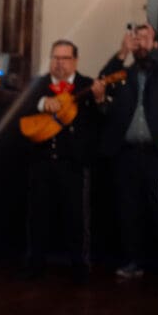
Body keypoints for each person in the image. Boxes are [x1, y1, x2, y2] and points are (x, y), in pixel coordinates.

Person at [18, 40, 104, 282]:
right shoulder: (39, 84)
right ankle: (35, 264)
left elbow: (102, 120)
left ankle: (80, 267)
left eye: (65, 58)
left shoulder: (87, 85)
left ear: (75, 60)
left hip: (73, 162)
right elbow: (20, 106)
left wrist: (99, 100)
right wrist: (41, 102)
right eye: (55, 57)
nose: (59, 63)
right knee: (38, 216)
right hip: (41, 161)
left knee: (76, 218)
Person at [93, 24, 158, 278]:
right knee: (128, 210)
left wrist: (152, 50)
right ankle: (132, 262)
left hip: (157, 154)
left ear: (156, 44)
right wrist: (121, 52)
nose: (140, 42)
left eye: (146, 38)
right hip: (126, 154)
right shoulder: (125, 74)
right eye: (137, 38)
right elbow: (102, 81)